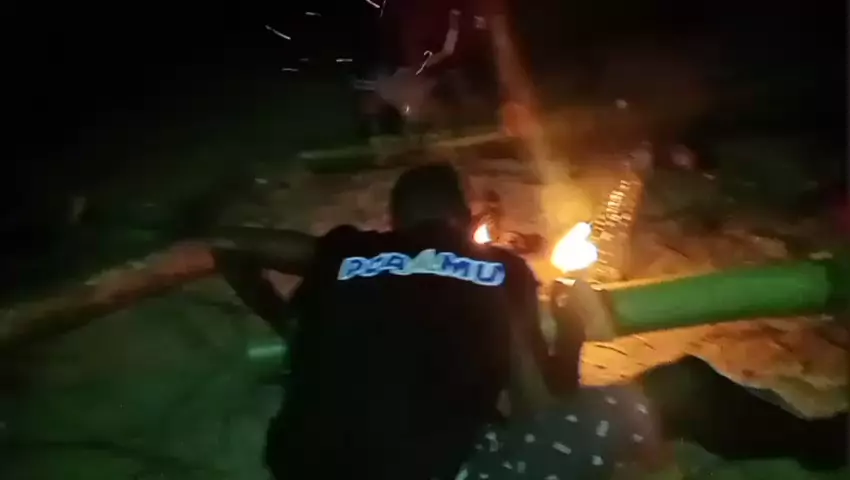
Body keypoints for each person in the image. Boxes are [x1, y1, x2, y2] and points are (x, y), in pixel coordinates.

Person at [208, 162, 577, 480]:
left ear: (394, 221)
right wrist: (571, 332)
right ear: (466, 219)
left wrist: (287, 325)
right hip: (427, 470)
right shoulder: (503, 268)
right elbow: (540, 408)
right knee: (604, 416)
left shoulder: (347, 250)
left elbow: (228, 244)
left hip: (301, 462)